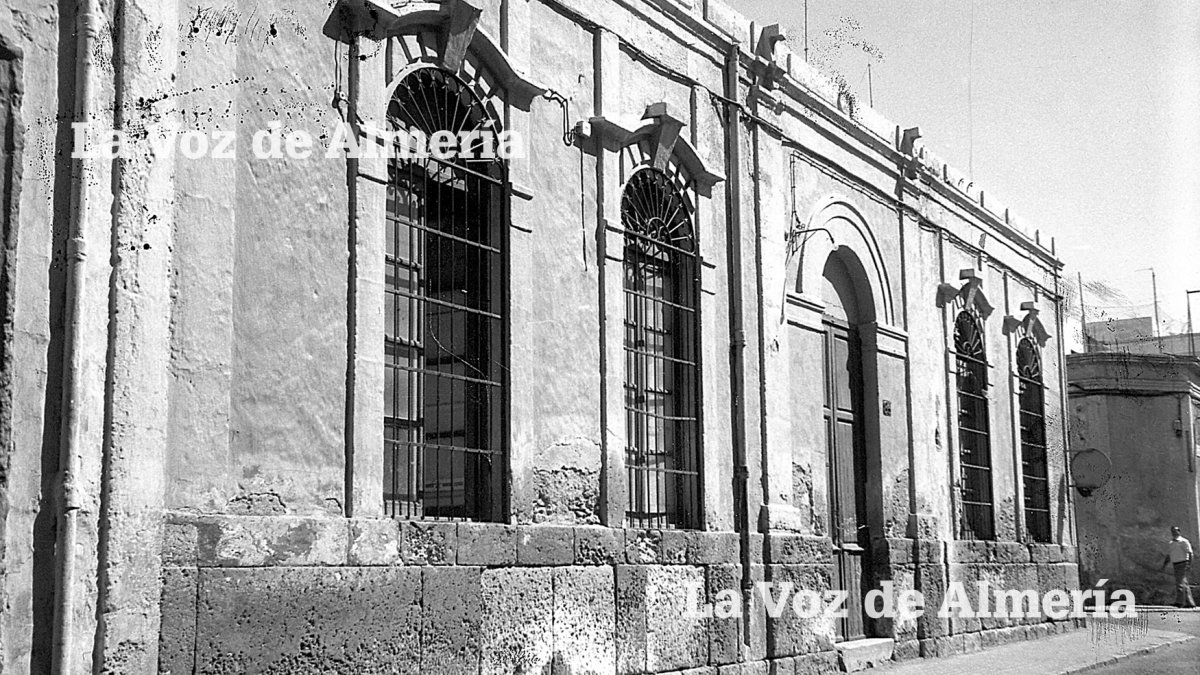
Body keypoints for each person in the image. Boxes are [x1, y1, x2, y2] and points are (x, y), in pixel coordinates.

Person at [1161, 526, 1196, 608]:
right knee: (1184, 584)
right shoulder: (1171, 543)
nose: (1174, 533)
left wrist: (1189, 564)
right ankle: (1190, 603)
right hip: (1175, 564)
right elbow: (1169, 555)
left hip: (1183, 563)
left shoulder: (1184, 542)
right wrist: (1164, 565)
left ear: (1179, 532)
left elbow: (1190, 553)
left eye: (1175, 531)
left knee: (1179, 583)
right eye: (1172, 531)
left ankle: (1179, 602)